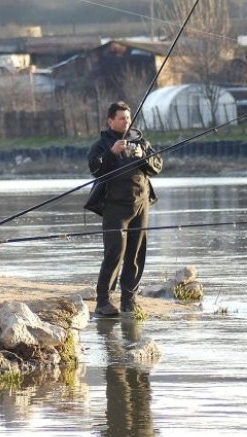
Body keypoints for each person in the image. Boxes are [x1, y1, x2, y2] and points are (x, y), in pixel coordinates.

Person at [87, 101, 163, 316]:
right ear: (110, 120)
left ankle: (129, 301)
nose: (126, 122)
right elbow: (95, 169)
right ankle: (103, 302)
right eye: (121, 118)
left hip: (141, 204)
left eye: (128, 118)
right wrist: (112, 153)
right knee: (114, 253)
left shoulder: (141, 142)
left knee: (136, 254)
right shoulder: (101, 145)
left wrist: (143, 157)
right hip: (115, 207)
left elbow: (158, 166)